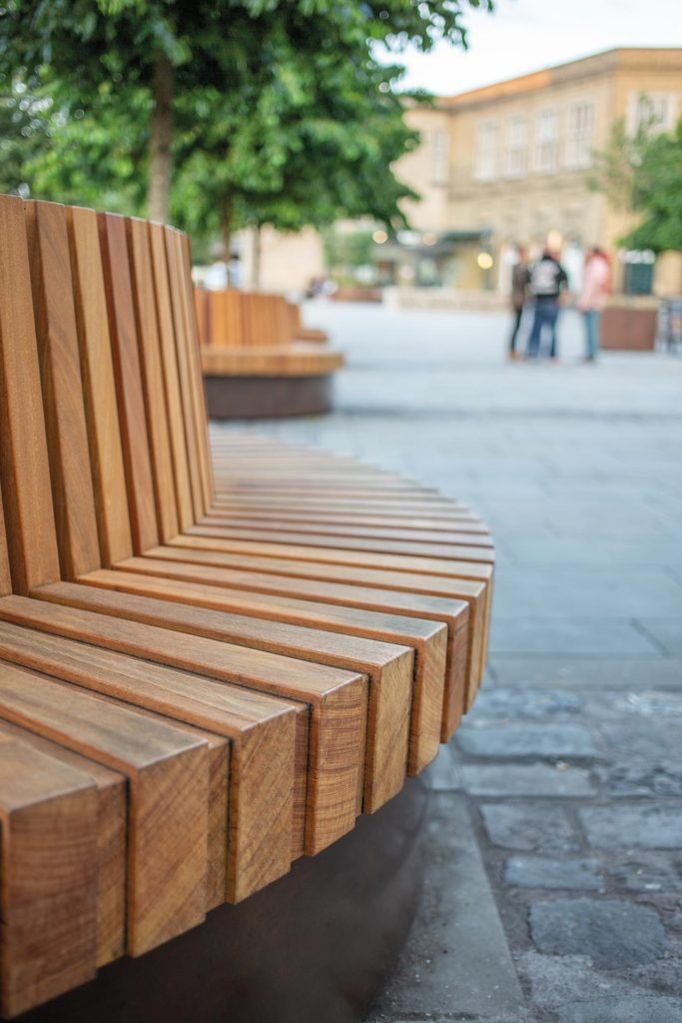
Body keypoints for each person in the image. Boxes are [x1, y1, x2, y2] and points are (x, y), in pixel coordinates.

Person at [525, 247, 569, 360]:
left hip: (538, 299)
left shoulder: (536, 266)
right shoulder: (555, 266)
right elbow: (565, 279)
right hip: (551, 299)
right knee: (552, 329)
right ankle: (552, 354)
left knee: (536, 328)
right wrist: (563, 295)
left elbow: (527, 279)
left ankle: (532, 352)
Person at [578, 247, 611, 361]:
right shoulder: (600, 265)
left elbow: (591, 287)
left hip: (592, 303)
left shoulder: (595, 266)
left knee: (591, 329)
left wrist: (584, 303)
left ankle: (591, 353)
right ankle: (590, 352)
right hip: (595, 302)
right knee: (592, 329)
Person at [509, 246, 530, 360]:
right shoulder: (518, 267)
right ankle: (513, 350)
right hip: (519, 300)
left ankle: (516, 349)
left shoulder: (523, 267)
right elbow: (521, 281)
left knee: (520, 326)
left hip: (522, 299)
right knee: (517, 326)